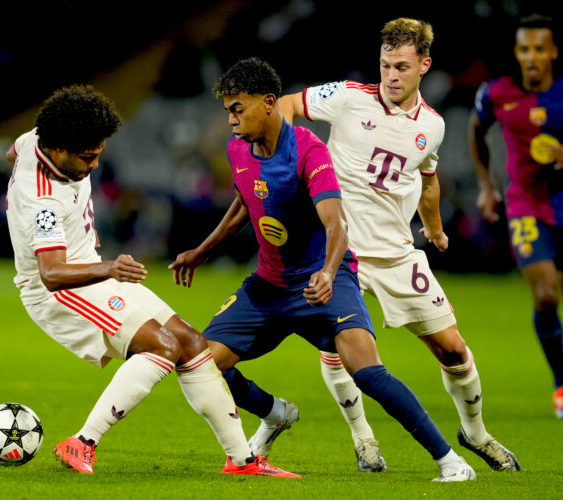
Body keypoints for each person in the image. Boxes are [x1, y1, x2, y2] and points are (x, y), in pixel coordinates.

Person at [229, 18, 517, 473]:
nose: (392, 76)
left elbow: (428, 179)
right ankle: (363, 439)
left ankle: (476, 433)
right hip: (339, 252)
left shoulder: (433, 126)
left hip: (397, 251)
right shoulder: (345, 97)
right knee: (339, 351)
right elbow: (284, 104)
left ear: (424, 65)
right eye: (385, 65)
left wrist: (435, 229)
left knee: (453, 349)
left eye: (402, 66)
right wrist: (281, 165)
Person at [170, 57, 476, 482]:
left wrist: (330, 273)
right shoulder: (238, 147)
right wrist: (202, 250)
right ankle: (275, 413)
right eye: (228, 110)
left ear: (269, 103)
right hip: (268, 287)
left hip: (324, 280)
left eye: (238, 109)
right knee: (201, 364)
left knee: (367, 373)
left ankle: (450, 461)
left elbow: (336, 224)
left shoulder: (308, 151)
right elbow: (244, 201)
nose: (231, 120)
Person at [5, 84, 298, 477]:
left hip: (90, 270)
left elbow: (14, 151)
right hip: (58, 291)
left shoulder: (32, 141)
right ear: (57, 150)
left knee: (193, 343)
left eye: (98, 153)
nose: (94, 165)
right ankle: (82, 442)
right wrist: (109, 267)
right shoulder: (42, 199)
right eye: (87, 157)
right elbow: (52, 273)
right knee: (161, 347)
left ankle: (241, 460)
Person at [467, 14, 563, 419]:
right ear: (516, 53)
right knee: (545, 295)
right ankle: (560, 386)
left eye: (539, 49)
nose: (531, 57)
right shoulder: (497, 93)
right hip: (525, 205)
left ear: (554, 51)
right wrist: (486, 186)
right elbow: (475, 129)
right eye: (524, 49)